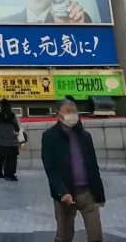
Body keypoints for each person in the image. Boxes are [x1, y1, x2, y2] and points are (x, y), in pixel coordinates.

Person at [41, 98, 106, 242]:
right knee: (64, 237)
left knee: (96, 237)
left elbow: (93, 166)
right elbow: (50, 168)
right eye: (68, 111)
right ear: (59, 115)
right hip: (65, 195)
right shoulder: (49, 137)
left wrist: (100, 194)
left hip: (88, 193)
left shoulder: (85, 136)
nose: (72, 115)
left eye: (74, 111)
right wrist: (62, 192)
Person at [0, 100, 22, 181]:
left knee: (2, 157)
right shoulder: (12, 115)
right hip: (12, 141)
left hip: (2, 141)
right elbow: (17, 128)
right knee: (12, 159)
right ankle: (11, 174)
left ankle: (1, 173)